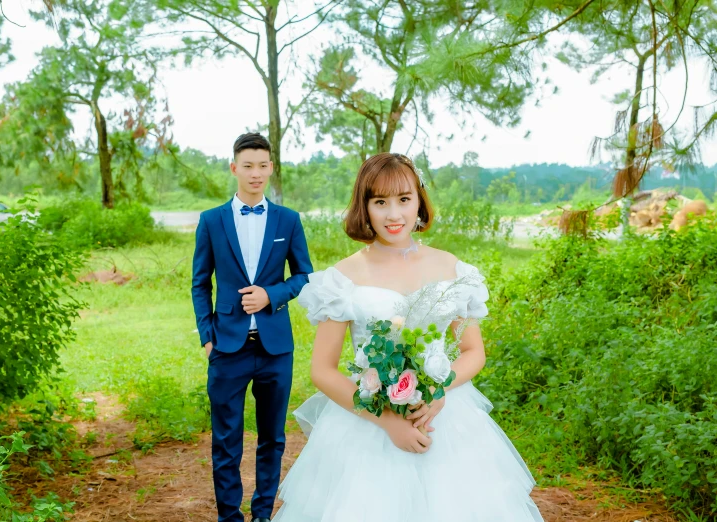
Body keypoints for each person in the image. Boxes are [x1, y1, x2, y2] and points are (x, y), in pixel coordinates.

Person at [273, 152, 543, 521]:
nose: (394, 214)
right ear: (364, 208)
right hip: (367, 424)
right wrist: (387, 420)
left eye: (403, 199)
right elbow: (322, 370)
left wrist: (438, 392)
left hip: (445, 420)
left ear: (419, 201)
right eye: (380, 202)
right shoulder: (342, 278)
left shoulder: (452, 269)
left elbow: (472, 350)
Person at [191, 133, 313, 522]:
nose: (256, 173)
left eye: (263, 165)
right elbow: (200, 283)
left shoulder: (288, 220)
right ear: (234, 168)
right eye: (248, 166)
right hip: (227, 347)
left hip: (276, 348)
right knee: (226, 441)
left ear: (271, 167)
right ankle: (230, 516)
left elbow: (305, 276)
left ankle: (262, 514)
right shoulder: (211, 221)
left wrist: (271, 295)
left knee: (272, 439)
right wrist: (208, 338)